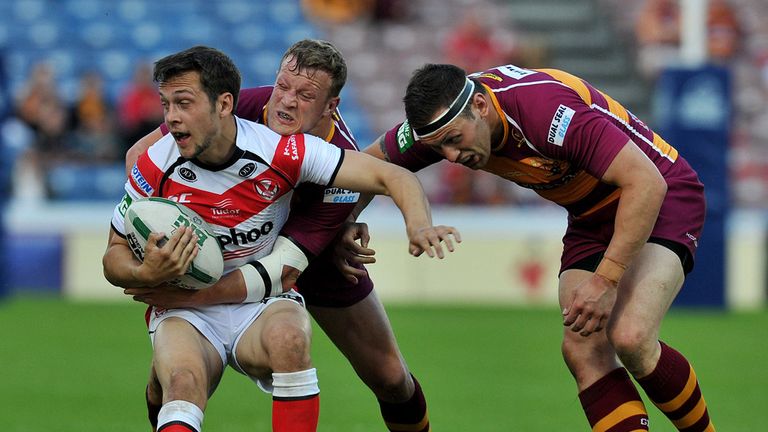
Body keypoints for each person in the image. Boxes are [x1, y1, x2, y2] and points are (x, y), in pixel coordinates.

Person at [337, 63, 715, 431]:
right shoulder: (444, 121)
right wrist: (346, 219)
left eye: (454, 142)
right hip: (590, 214)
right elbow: (365, 166)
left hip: (660, 195)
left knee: (631, 336)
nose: (451, 158)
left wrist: (607, 279)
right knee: (583, 349)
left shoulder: (543, 110)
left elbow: (646, 184)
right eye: (439, 149)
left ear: (481, 108)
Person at [103, 46, 459, 432]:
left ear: (330, 106)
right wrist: (160, 228)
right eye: (283, 86)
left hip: (307, 255)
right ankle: (171, 374)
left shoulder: (328, 154)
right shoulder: (246, 104)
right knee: (182, 377)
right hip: (229, 250)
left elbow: (284, 269)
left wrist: (415, 223)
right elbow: (144, 156)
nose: (286, 102)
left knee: (390, 377)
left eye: (305, 96)